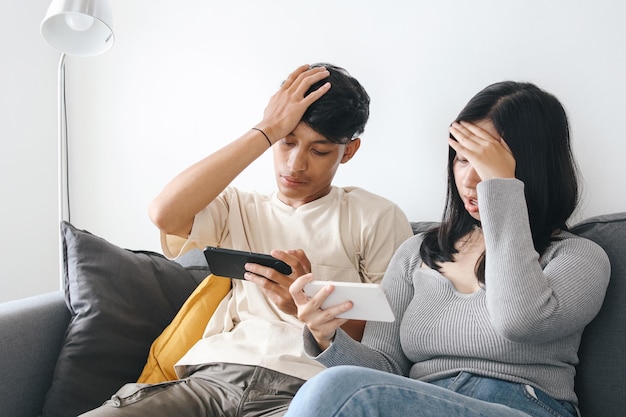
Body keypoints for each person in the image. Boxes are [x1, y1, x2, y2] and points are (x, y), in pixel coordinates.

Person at [80, 63, 413, 417]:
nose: (296, 164)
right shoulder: (236, 207)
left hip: (306, 389)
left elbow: (389, 343)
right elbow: (164, 213)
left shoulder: (375, 216)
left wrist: (304, 306)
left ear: (348, 151)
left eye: (319, 151)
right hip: (210, 379)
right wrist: (267, 129)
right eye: (287, 142)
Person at [287, 81, 611, 417]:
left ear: (532, 166)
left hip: (523, 406)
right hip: (422, 402)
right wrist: (326, 336)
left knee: (333, 388)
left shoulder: (579, 257)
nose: (469, 181)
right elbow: (381, 370)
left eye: (486, 164)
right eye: (461, 159)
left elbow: (519, 321)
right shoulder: (416, 252)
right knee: (334, 384)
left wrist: (501, 191)